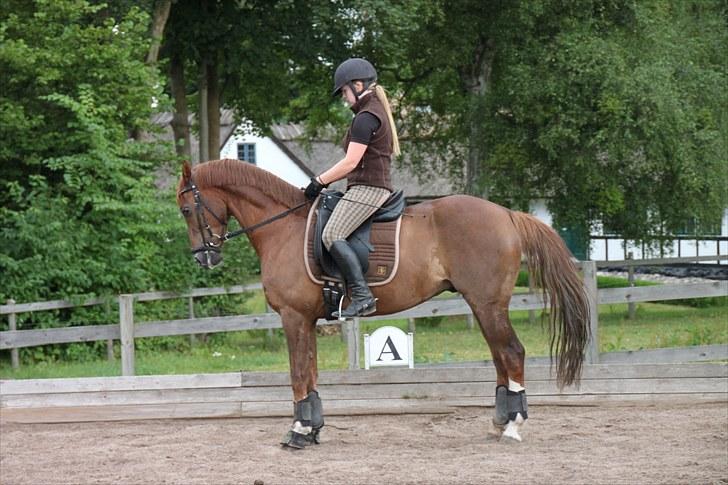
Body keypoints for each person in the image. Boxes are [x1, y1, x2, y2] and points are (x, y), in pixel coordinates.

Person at [304, 57, 401, 318]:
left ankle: (362, 296)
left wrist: (319, 181)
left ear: (358, 85)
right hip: (367, 186)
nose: (345, 98)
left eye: (345, 91)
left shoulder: (366, 117)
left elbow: (350, 162)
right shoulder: (373, 110)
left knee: (332, 233)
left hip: (369, 189)